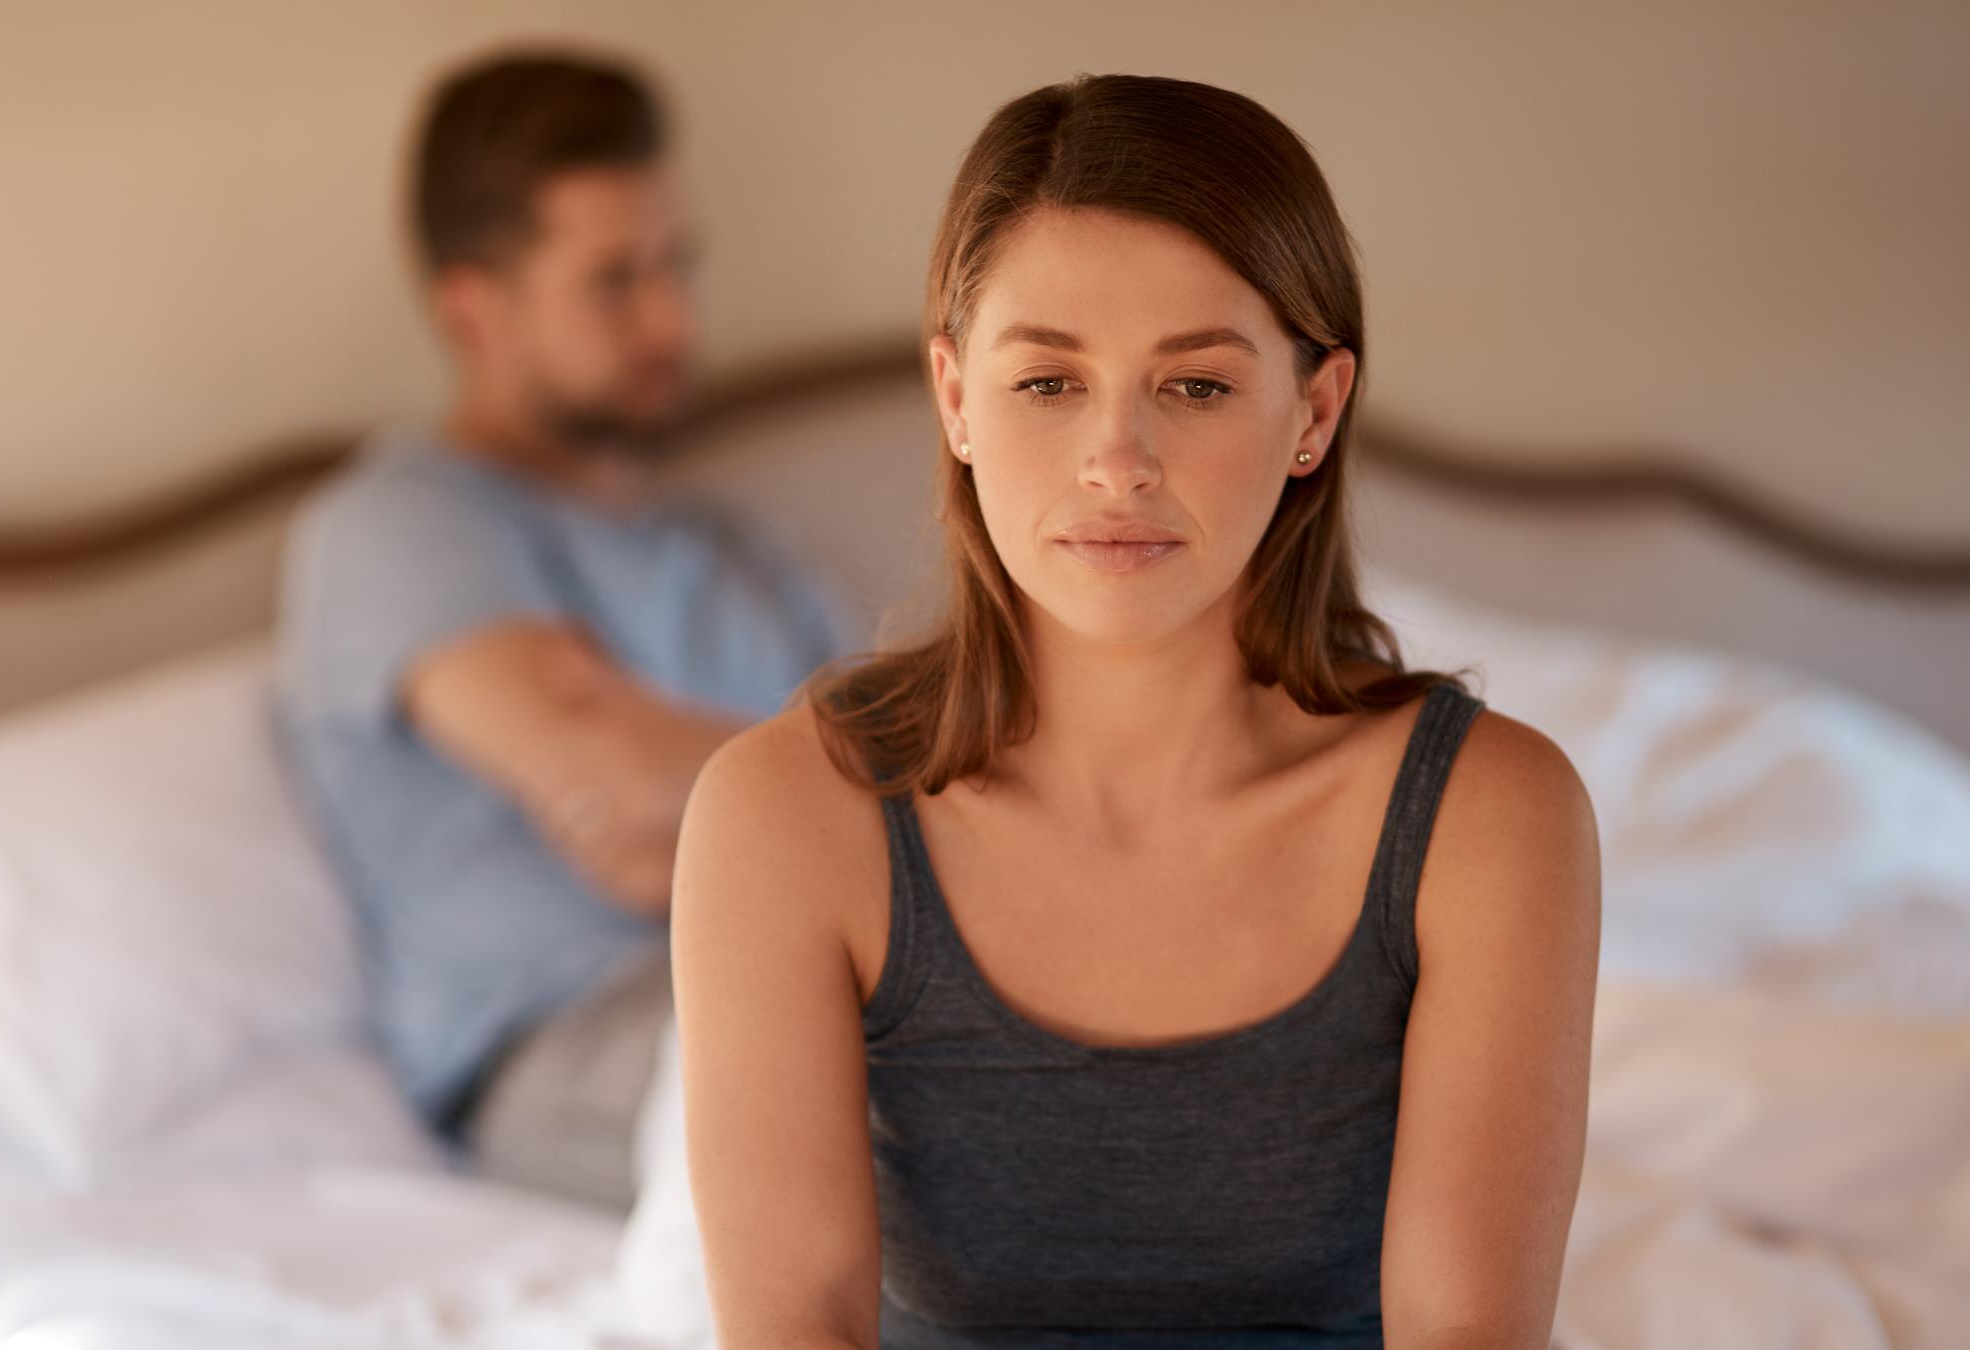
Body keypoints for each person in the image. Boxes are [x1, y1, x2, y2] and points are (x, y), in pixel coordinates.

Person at [670, 73, 1602, 1347]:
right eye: (1048, 383)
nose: (1119, 461)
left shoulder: (1488, 821)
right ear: (954, 397)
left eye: (1198, 386)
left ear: (1313, 414)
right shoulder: (785, 818)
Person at [271, 48, 857, 1213]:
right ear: (472, 310)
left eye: (676, 266)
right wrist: (818, 813)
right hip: (572, 1038)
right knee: (934, 1116)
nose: (672, 318)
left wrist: (712, 825)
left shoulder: (736, 550)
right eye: (613, 281)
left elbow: (935, 783)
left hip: (825, 974)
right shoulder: (397, 522)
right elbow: (622, 771)